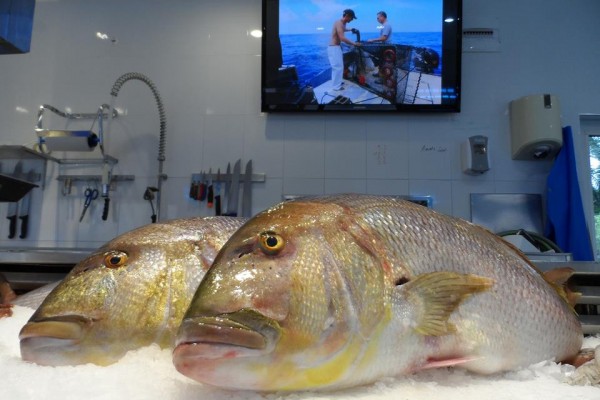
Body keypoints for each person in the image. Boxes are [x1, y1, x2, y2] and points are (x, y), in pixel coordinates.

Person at [328, 9, 360, 91]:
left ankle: (337, 82)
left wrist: (351, 29)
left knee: (340, 66)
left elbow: (343, 29)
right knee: (337, 67)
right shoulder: (339, 23)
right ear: (347, 16)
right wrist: (354, 43)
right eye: (351, 18)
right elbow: (342, 38)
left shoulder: (343, 23)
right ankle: (336, 87)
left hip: (337, 47)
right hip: (333, 48)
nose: (351, 20)